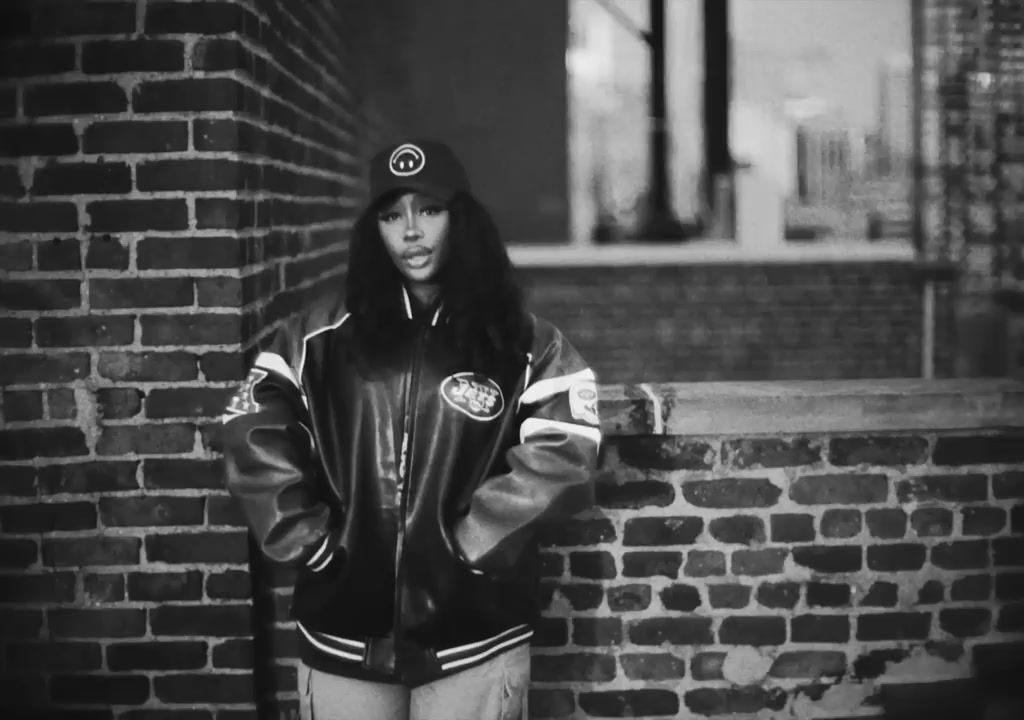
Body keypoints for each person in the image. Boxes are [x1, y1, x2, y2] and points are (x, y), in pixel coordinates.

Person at [220, 139, 602, 720]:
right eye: (392, 215)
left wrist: (473, 546)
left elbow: (566, 451)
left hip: (476, 640)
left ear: (463, 219)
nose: (411, 232)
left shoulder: (527, 344)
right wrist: (316, 546)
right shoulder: (315, 339)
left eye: (430, 210)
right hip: (344, 636)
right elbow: (250, 431)